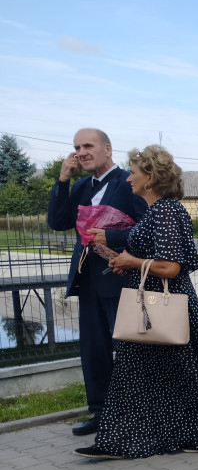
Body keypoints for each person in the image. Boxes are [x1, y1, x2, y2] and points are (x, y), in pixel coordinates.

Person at [73, 146, 198, 459]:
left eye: (134, 172)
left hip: (164, 307)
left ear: (150, 178)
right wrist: (127, 260)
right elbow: (154, 257)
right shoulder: (158, 211)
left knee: (186, 376)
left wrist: (133, 263)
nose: (128, 177)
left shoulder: (166, 210)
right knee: (133, 375)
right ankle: (119, 441)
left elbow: (171, 267)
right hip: (149, 306)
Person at [47, 128, 148, 436]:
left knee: (129, 348)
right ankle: (101, 412)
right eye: (76, 147)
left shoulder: (129, 182)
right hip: (88, 278)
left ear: (107, 148)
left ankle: (136, 412)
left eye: (88, 145)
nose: (81, 152)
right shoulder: (79, 187)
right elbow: (57, 222)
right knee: (94, 348)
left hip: (121, 277)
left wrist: (117, 242)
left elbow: (146, 227)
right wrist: (63, 180)